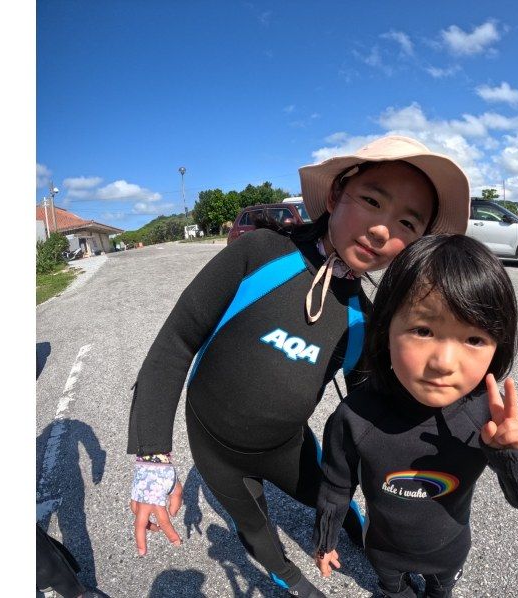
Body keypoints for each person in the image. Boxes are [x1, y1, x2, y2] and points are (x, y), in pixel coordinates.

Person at [126, 135, 471, 597]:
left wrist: (456, 421)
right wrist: (152, 456)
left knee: (338, 502)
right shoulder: (261, 255)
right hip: (214, 445)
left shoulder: (362, 320)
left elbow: (374, 408)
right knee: (255, 527)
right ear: (334, 196)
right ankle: (289, 579)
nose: (381, 231)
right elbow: (176, 342)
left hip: (287, 447)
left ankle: (370, 545)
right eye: (371, 200)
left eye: (407, 223)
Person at [313, 234, 518, 598]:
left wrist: (515, 451)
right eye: (423, 331)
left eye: (473, 339)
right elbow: (336, 485)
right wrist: (325, 538)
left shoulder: (492, 419)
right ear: (385, 331)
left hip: (449, 551)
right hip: (382, 551)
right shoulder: (356, 416)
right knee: (394, 591)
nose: (443, 363)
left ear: (497, 347)